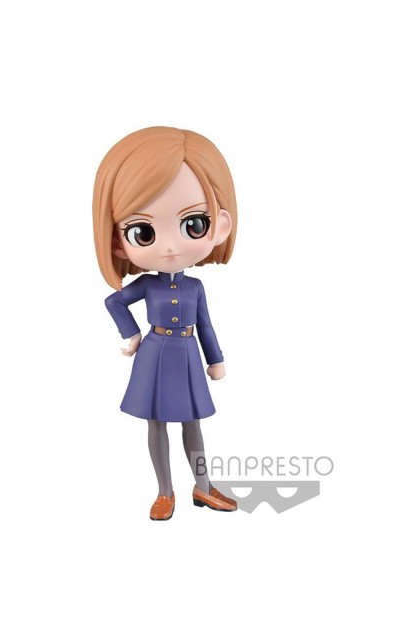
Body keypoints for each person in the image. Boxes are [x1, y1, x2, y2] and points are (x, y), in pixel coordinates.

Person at [92, 126, 238, 520]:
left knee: (193, 423)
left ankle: (204, 487)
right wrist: (131, 333)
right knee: (156, 424)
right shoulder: (146, 286)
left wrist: (215, 359)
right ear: (118, 241)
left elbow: (205, 326)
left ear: (219, 226)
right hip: (154, 356)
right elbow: (114, 300)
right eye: (144, 231)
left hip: (188, 355)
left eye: (194, 224)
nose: (170, 246)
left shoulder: (195, 287)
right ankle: (164, 492)